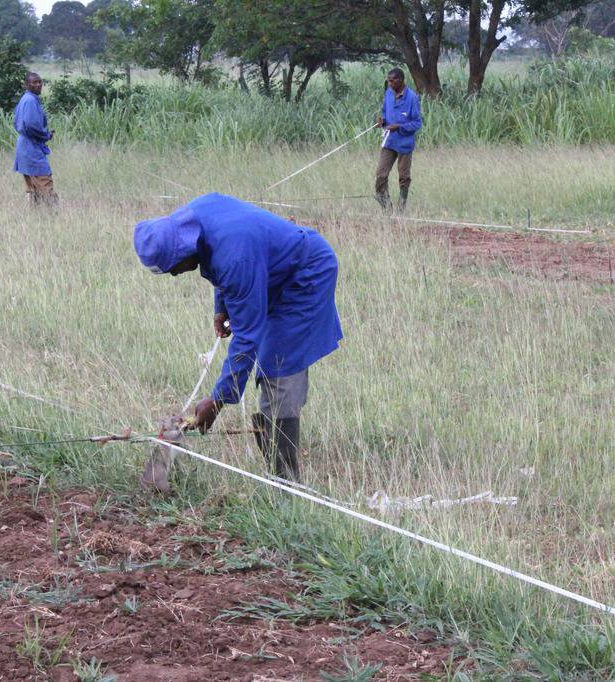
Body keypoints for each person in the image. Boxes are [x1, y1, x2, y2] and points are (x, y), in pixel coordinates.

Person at [133, 193, 343, 482]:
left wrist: (218, 401)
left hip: (305, 275)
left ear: (182, 251)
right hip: (270, 270)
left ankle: (286, 483)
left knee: (278, 365)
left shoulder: (235, 255)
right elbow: (219, 263)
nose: (175, 275)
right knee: (272, 362)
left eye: (173, 268)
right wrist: (222, 308)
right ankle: (279, 464)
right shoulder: (194, 221)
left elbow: (247, 338)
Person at [375, 67, 422, 213]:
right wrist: (382, 121)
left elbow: (417, 123)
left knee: (404, 177)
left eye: (392, 81)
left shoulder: (412, 98)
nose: (390, 84)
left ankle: (401, 209)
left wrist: (400, 126)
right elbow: (384, 111)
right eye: (388, 81)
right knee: (381, 175)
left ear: (401, 81)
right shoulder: (388, 93)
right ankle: (387, 209)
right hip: (389, 141)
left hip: (404, 143)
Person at [13, 72, 57, 205]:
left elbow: (16, 122)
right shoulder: (31, 100)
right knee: (45, 184)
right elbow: (31, 125)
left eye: (40, 82)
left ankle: (36, 218)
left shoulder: (25, 99)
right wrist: (45, 135)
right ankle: (54, 216)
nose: (38, 85)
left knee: (33, 189)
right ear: (26, 85)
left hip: (24, 147)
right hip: (31, 148)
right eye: (34, 82)